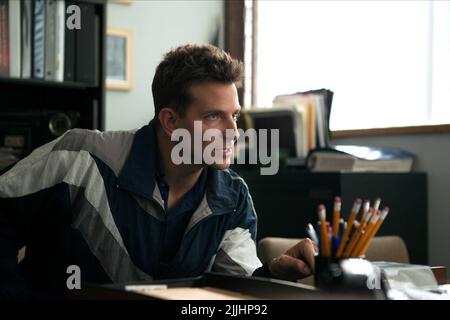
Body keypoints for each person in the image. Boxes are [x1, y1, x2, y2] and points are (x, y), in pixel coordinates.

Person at [0, 44, 315, 299]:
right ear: (170, 120)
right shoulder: (78, 158)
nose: (233, 131)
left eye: (234, 115)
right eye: (214, 116)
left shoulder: (232, 197)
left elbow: (232, 286)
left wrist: (275, 273)